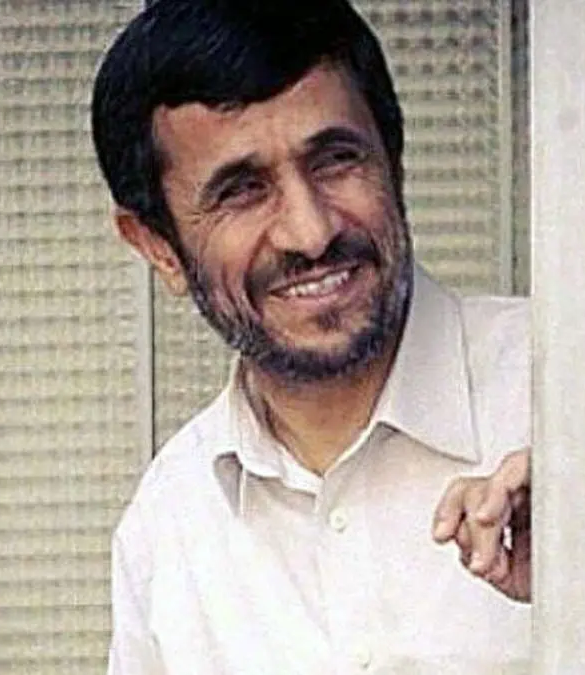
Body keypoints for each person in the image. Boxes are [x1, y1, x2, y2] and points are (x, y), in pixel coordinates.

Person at [91, 1, 532, 672]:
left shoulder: (584, 402)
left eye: (335, 160)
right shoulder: (167, 527)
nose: (311, 231)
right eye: (241, 191)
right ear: (158, 247)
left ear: (394, 161)